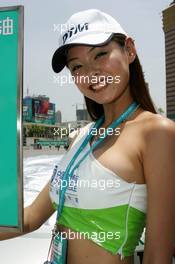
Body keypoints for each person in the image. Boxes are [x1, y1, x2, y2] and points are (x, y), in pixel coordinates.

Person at [1, 9, 175, 264]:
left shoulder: (157, 133)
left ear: (129, 50)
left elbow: (157, 256)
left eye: (101, 54)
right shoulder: (81, 137)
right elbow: (29, 218)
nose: (91, 72)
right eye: (77, 66)